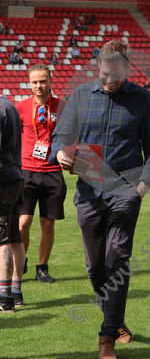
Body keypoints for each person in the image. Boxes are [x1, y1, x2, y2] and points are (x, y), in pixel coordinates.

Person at [49, 40, 150, 359]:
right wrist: (60, 152)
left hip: (126, 192)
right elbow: (60, 135)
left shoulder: (143, 99)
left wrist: (142, 187)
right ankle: (115, 318)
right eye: (104, 73)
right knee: (94, 266)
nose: (109, 80)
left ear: (127, 67)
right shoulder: (80, 95)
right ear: (98, 65)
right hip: (88, 192)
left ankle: (106, 339)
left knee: (117, 259)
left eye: (115, 75)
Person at [16, 64, 67, 284]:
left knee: (48, 223)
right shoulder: (20, 107)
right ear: (30, 83)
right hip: (26, 171)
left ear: (50, 81)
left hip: (53, 171)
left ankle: (42, 267)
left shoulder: (62, 106)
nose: (39, 85)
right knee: (22, 222)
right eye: (35, 81)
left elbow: (71, 135)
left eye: (43, 81)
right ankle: (21, 259)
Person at [0, 96, 25, 312]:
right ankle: (16, 293)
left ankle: (4, 298)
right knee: (14, 236)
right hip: (16, 175)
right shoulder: (10, 105)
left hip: (3, 178)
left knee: (2, 240)